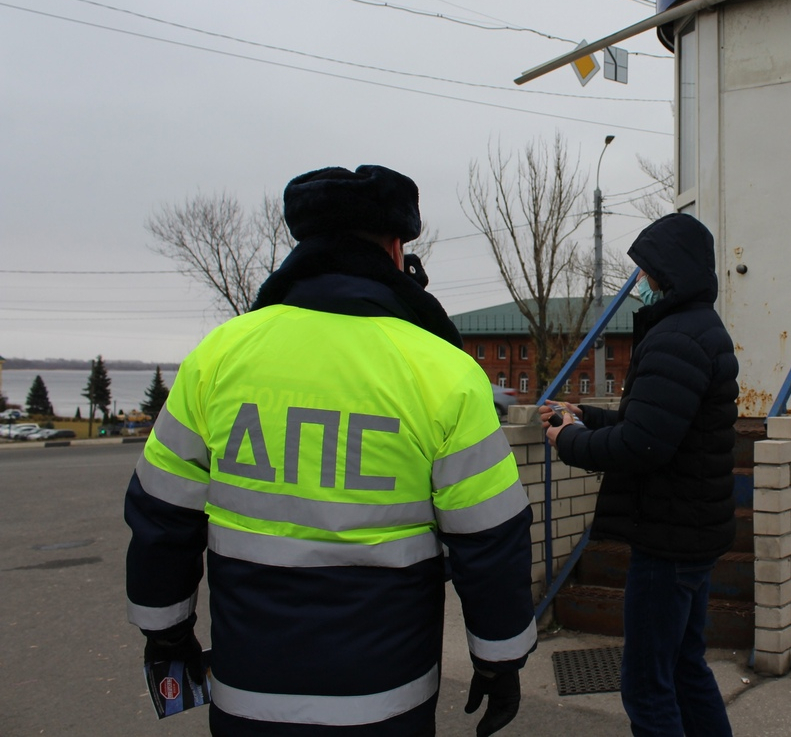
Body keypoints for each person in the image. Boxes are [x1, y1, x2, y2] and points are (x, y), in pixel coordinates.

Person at [124, 165, 535, 736]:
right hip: (388, 698)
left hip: (250, 695)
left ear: (305, 244)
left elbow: (160, 515)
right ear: (397, 250)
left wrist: (165, 630)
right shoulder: (444, 373)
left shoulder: (218, 358)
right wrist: (499, 656)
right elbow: (491, 541)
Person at [541, 212, 739, 737]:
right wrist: (585, 416)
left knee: (647, 685)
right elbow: (657, 422)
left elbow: (643, 444)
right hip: (693, 529)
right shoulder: (698, 329)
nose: (641, 284)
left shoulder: (676, 338)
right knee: (684, 666)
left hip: (670, 540)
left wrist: (568, 441)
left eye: (647, 273)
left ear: (668, 274)